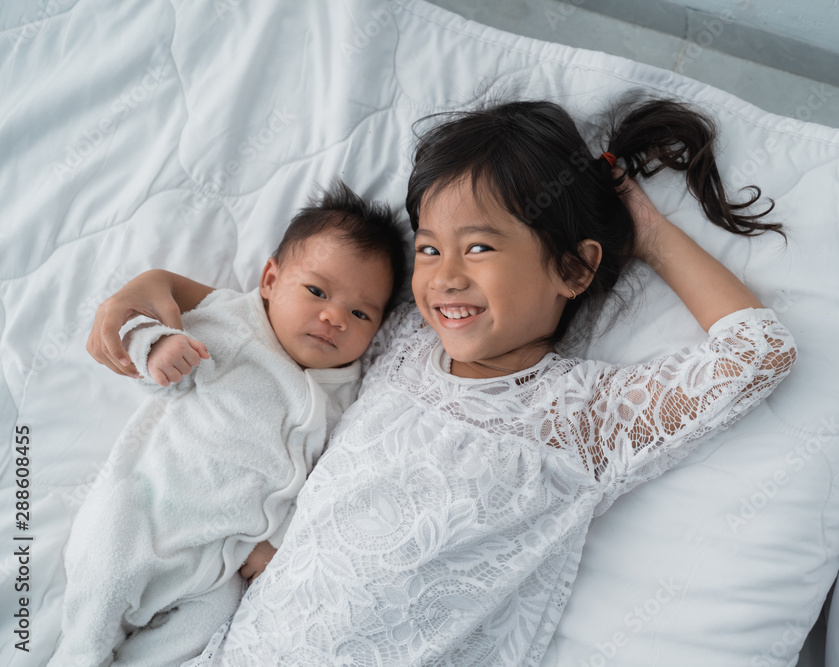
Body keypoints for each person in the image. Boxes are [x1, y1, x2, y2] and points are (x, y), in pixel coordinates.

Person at [87, 96, 798, 665]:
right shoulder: (399, 342)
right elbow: (285, 314)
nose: (444, 276)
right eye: (428, 248)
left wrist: (646, 232)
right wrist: (157, 287)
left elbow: (757, 351)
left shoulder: (582, 416)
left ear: (574, 268)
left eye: (479, 246)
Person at [53, 181, 407, 667]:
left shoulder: (346, 394)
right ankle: (78, 654)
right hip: (145, 515)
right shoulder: (234, 323)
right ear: (270, 280)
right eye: (316, 291)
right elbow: (139, 329)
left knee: (208, 621)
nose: (333, 317)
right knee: (106, 580)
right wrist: (156, 349)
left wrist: (275, 542)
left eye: (360, 313)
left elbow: (325, 484)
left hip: (219, 559)